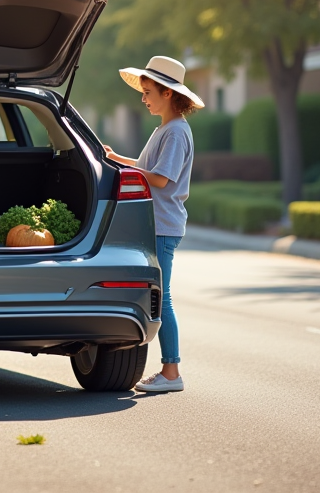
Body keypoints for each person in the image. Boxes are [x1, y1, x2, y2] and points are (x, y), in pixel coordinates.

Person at [103, 55, 203, 394]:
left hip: (162, 226)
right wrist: (118, 159)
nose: (143, 98)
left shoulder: (175, 132)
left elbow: (160, 178)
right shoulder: (166, 129)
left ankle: (171, 373)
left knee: (165, 299)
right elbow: (149, 167)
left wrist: (128, 170)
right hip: (157, 225)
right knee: (162, 298)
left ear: (168, 93)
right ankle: (169, 371)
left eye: (148, 92)